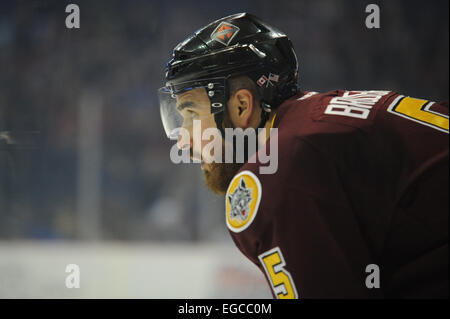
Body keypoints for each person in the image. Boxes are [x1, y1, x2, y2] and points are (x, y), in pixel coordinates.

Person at [157, 13, 448, 298]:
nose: (183, 140)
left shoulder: (279, 170)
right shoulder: (319, 120)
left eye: (191, 113)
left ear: (242, 106)